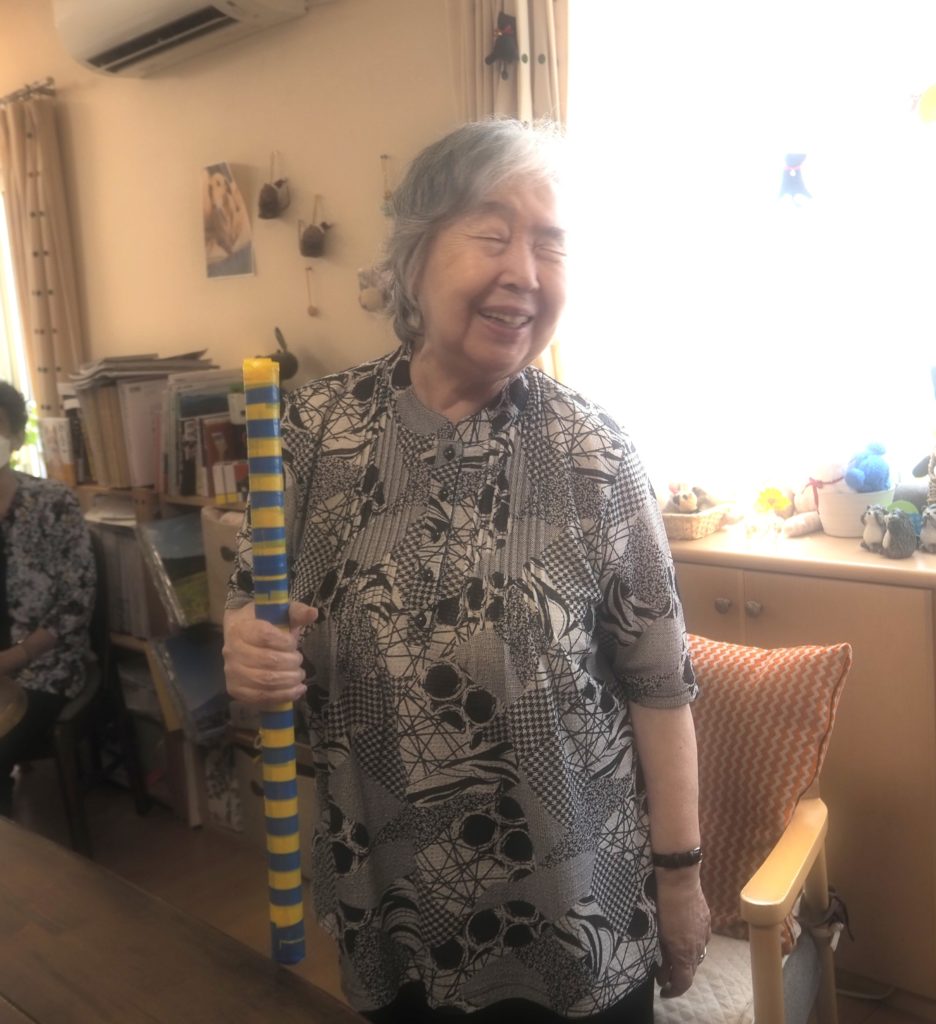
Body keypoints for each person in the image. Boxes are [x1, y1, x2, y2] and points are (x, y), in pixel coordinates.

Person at [223, 118, 710, 1023]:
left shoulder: (594, 454)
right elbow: (258, 602)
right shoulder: (310, 435)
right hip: (391, 907)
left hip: (578, 919)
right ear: (413, 260)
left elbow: (660, 685)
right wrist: (243, 644)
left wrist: (680, 879)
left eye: (550, 245)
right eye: (492, 234)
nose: (525, 272)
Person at [0, 381, 96, 817]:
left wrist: (14, 657)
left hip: (43, 669)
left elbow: (77, 602)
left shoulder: (53, 503)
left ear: (16, 437)